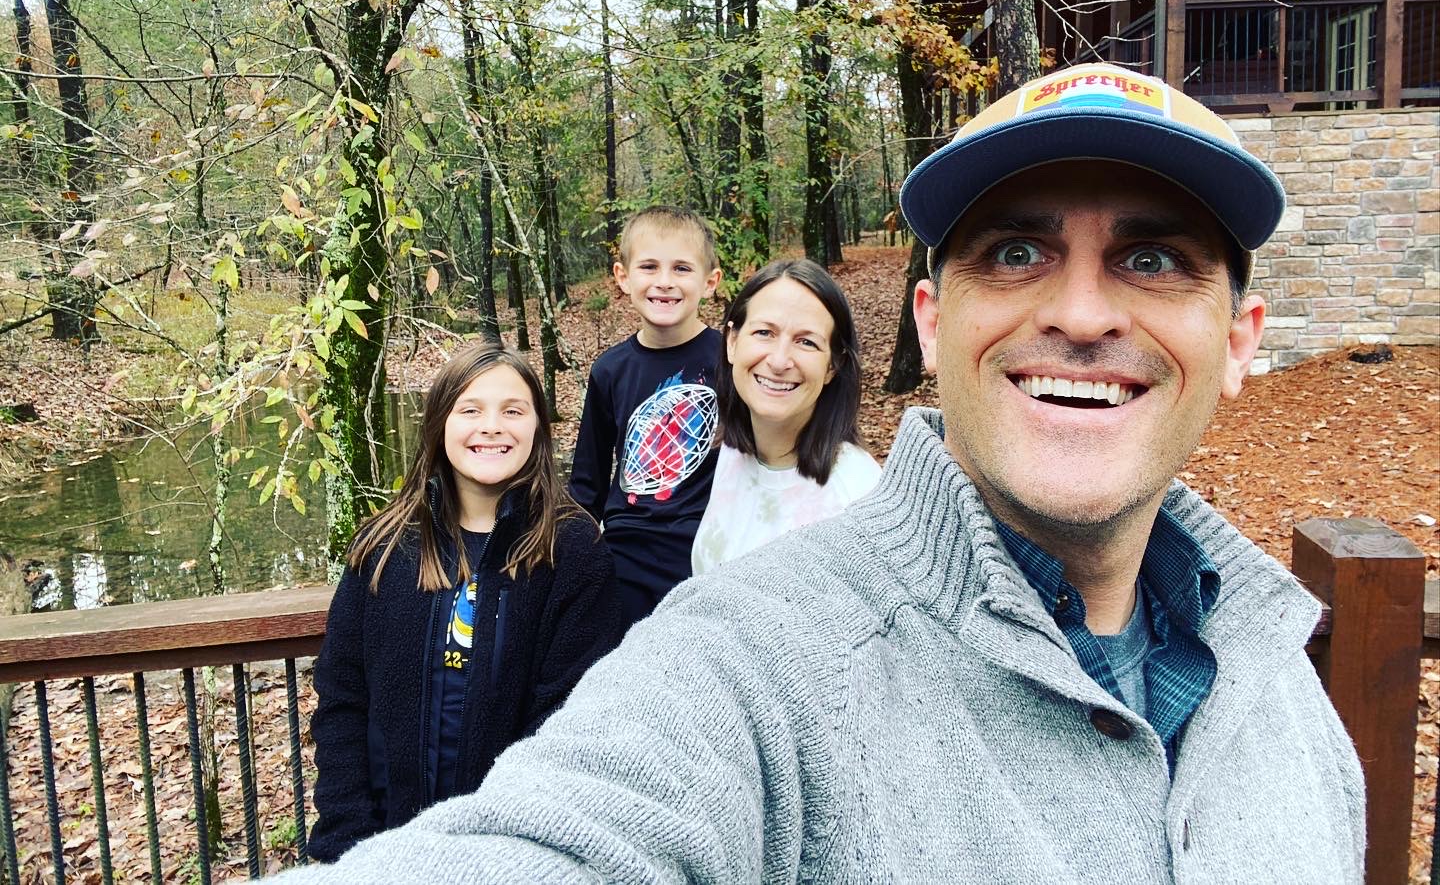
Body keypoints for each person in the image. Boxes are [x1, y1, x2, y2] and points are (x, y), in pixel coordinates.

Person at [276, 64, 1364, 883]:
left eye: (1154, 259)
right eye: (1016, 253)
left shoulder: (1283, 689)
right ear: (932, 323)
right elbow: (566, 830)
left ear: (1240, 341)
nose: (1081, 313)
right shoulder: (761, 662)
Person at [306, 341, 621, 863]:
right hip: (386, 845)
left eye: (513, 411)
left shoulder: (573, 552)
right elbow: (342, 699)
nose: (492, 427)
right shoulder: (385, 548)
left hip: (514, 850)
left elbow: (571, 720)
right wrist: (348, 842)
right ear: (440, 425)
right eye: (470, 410)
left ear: (538, 428)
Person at [568, 205, 724, 626]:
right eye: (649, 267)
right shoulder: (610, 370)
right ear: (623, 277)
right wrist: (570, 555)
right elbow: (587, 483)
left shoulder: (731, 359)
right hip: (627, 553)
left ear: (710, 282)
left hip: (708, 550)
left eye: (682, 268)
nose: (665, 281)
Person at [691, 259, 880, 574]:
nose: (779, 361)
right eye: (764, 332)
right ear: (732, 342)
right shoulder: (730, 454)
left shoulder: (859, 497)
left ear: (832, 366)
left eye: (806, 342)